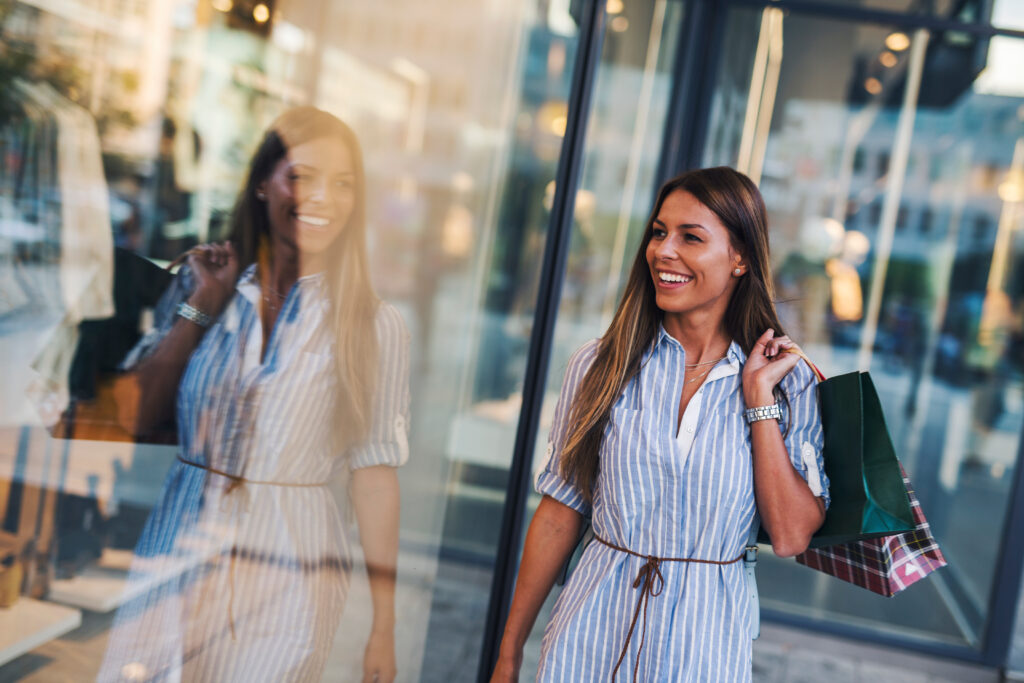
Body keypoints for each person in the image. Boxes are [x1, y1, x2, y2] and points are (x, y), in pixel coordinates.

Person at [98, 107, 409, 682]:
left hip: (290, 568)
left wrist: (383, 626)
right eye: (303, 176)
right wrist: (200, 307)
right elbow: (136, 414)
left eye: (343, 185)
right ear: (263, 184)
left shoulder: (371, 323)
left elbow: (374, 477)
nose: (323, 198)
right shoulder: (208, 284)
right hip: (180, 550)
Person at [492, 167, 829, 682]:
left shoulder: (788, 382)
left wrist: (758, 399)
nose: (663, 251)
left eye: (690, 237)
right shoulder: (600, 364)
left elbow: (790, 534)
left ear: (740, 258)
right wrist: (509, 652)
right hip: (586, 638)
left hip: (703, 650)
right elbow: (561, 513)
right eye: (658, 232)